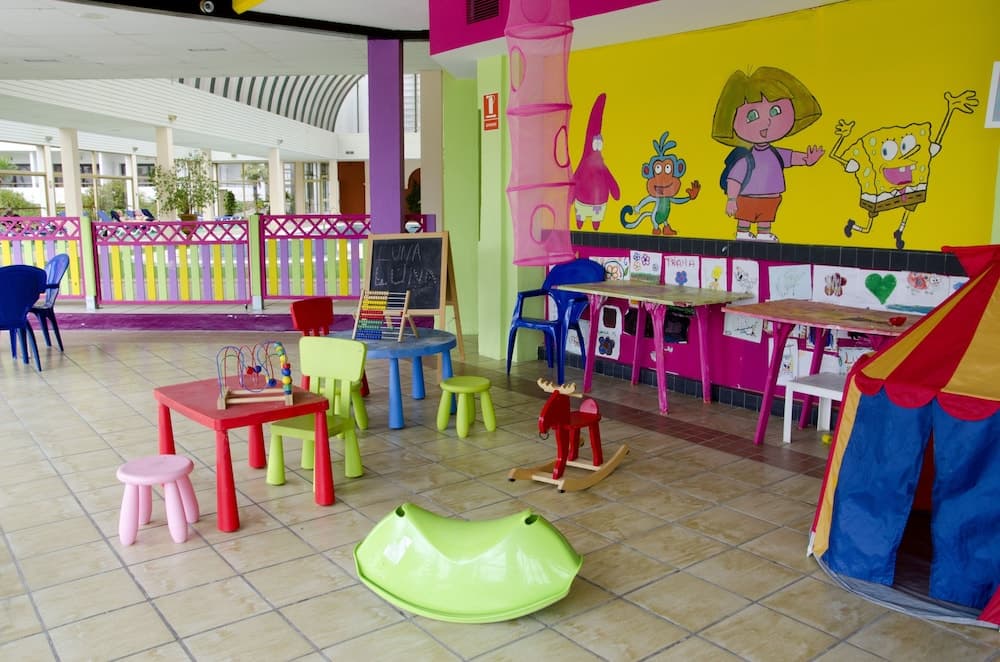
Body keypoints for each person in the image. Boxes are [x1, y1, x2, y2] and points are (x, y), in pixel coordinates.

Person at [711, 66, 824, 242]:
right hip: (747, 197)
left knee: (766, 218)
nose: (767, 122)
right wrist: (731, 199)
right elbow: (734, 178)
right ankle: (743, 231)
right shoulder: (746, 157)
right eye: (752, 115)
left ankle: (764, 233)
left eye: (775, 111)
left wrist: (807, 159)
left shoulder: (775, 153)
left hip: (771, 198)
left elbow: (791, 157)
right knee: (745, 216)